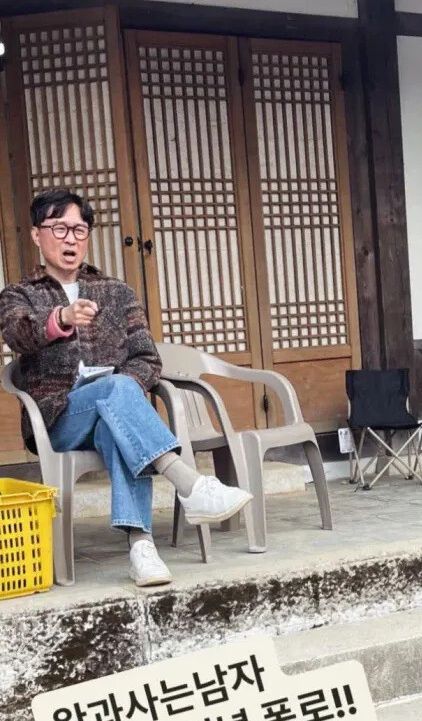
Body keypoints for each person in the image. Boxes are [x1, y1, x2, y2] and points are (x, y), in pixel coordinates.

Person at [0, 188, 252, 588]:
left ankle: (141, 548)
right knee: (115, 392)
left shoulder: (116, 292)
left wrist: (124, 392)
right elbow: (18, 335)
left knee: (116, 417)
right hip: (58, 419)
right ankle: (189, 485)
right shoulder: (19, 295)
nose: (70, 238)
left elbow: (147, 358)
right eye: (59, 228)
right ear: (36, 234)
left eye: (79, 229)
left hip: (113, 413)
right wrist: (61, 318)